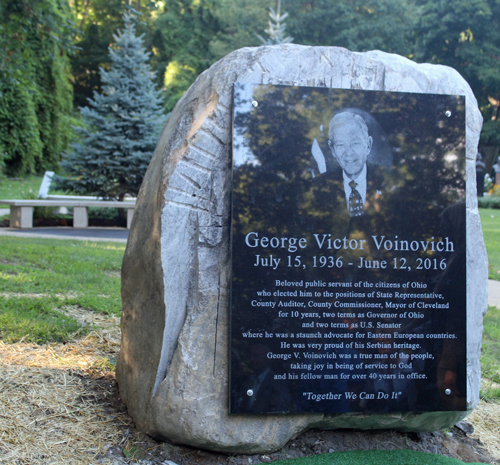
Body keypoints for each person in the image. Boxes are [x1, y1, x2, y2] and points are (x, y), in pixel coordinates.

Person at [327, 112, 381, 217]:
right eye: (341, 145)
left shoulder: (387, 180)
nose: (349, 153)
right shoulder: (321, 186)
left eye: (356, 143)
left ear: (368, 145)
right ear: (332, 149)